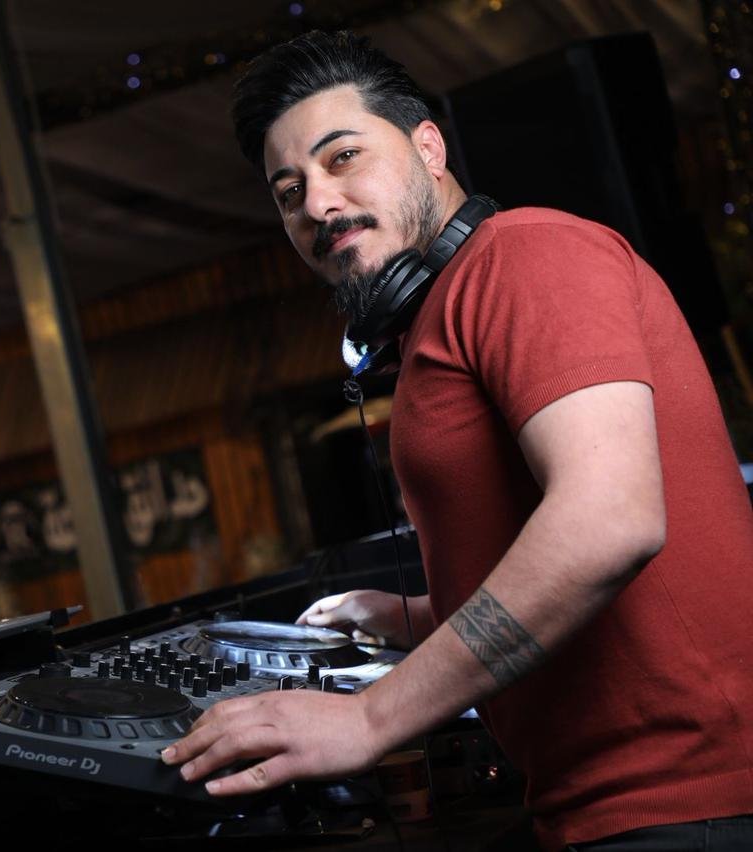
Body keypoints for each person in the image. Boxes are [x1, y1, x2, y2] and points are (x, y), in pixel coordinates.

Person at [160, 30, 753, 850]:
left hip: (690, 804)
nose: (318, 205)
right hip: (607, 804)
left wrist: (369, 718)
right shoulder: (443, 313)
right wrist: (411, 616)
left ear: (429, 148)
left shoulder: (527, 256)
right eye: (289, 191)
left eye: (343, 157)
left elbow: (609, 521)